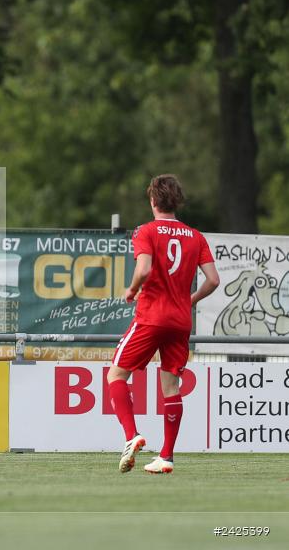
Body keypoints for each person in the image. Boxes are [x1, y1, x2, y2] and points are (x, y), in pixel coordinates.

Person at [107, 174, 219, 474]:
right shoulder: (196, 236)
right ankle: (166, 456)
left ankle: (132, 436)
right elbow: (213, 281)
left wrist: (131, 290)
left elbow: (143, 269)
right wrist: (190, 300)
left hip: (151, 316)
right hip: (180, 321)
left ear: (153, 201)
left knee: (116, 374)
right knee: (171, 386)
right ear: (176, 201)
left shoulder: (146, 231)